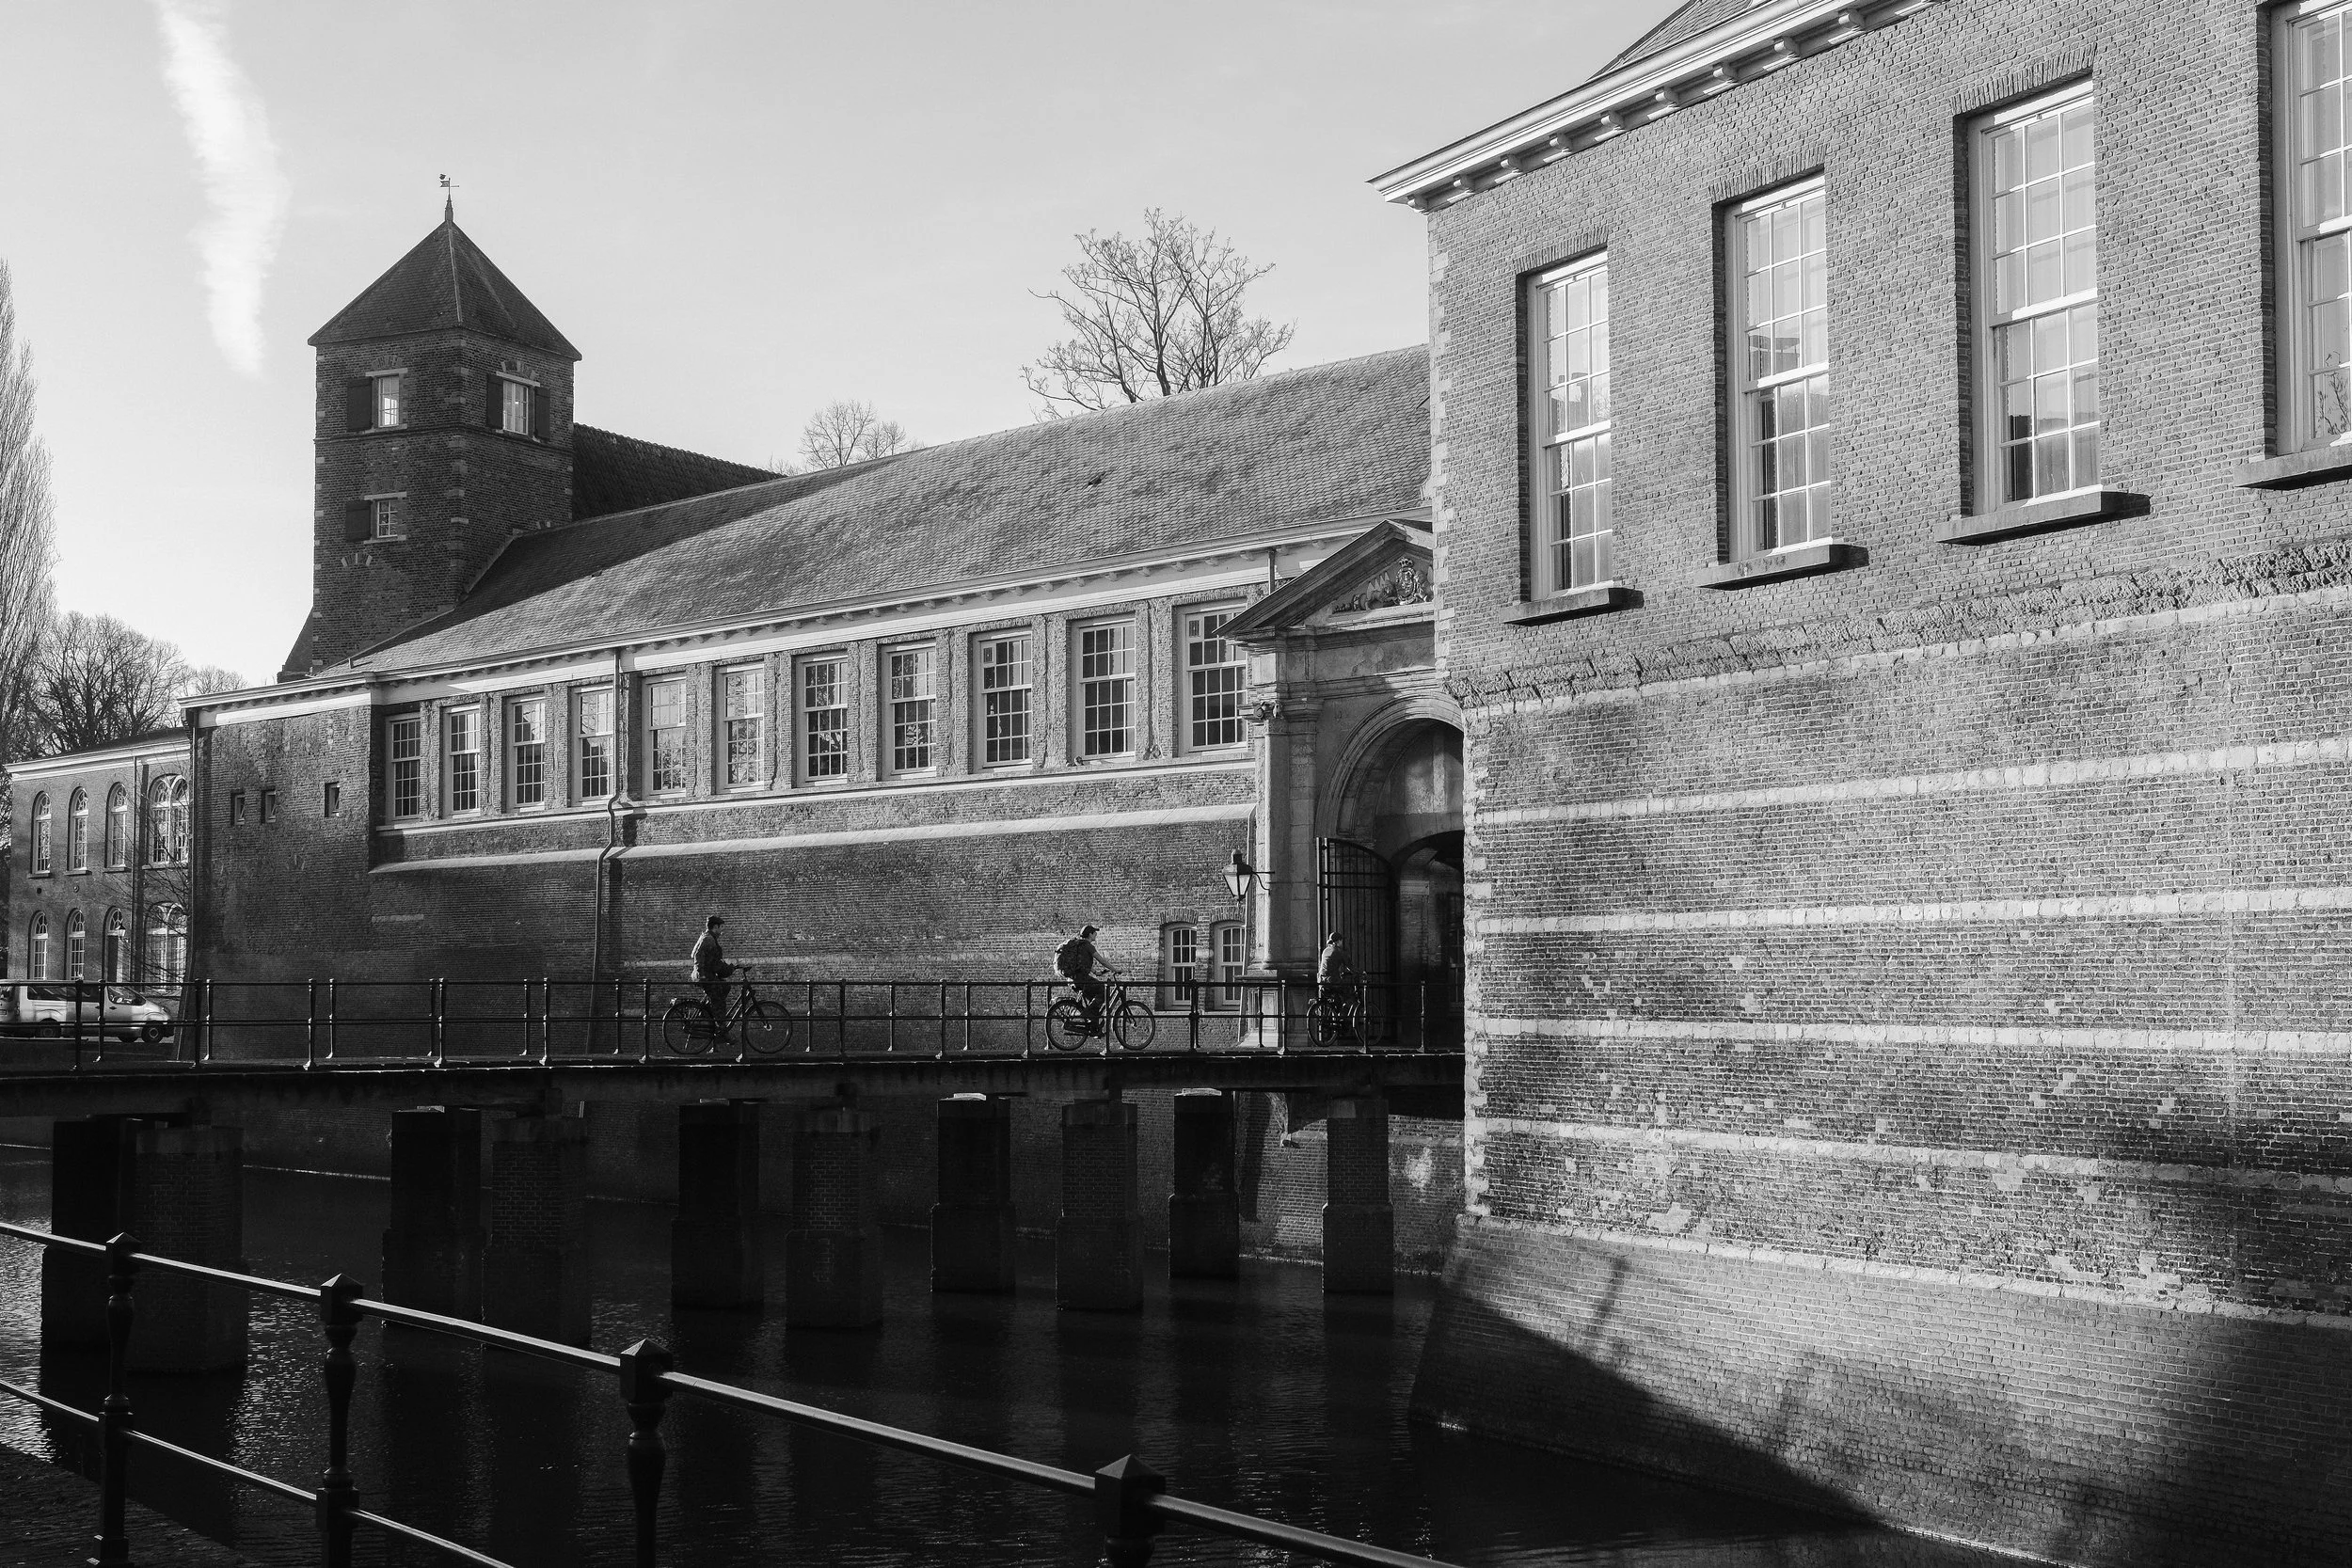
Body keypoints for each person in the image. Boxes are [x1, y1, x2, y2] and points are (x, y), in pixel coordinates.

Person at [1054, 924, 1121, 1023]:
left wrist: (1096, 972)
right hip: (1081, 980)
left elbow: (1080, 963)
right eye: (1094, 933)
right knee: (1104, 990)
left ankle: (1093, 1027)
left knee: (1094, 1002)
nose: (1096, 934)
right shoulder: (1088, 946)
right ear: (1090, 934)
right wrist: (1115, 969)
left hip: (1072, 980)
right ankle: (1086, 1014)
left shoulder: (1077, 945)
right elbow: (1102, 961)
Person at [691, 914, 736, 1024]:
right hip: (705, 976)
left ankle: (706, 1010)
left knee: (725, 987)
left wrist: (728, 968)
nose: (722, 931)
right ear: (715, 927)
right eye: (721, 928)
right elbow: (698, 956)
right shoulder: (708, 939)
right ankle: (722, 1030)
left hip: (706, 974)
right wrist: (702, 975)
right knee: (719, 1002)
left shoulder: (707, 937)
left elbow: (714, 961)